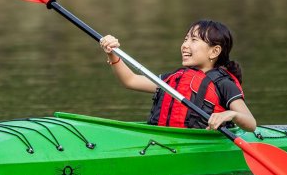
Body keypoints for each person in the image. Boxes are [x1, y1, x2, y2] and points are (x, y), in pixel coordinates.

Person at [98, 19, 257, 132]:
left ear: (214, 51)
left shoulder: (223, 84)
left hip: (202, 143)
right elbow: (130, 80)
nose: (185, 45)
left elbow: (251, 123)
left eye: (194, 40)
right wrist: (112, 53)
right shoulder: (174, 78)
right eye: (186, 38)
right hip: (164, 139)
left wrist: (231, 114)